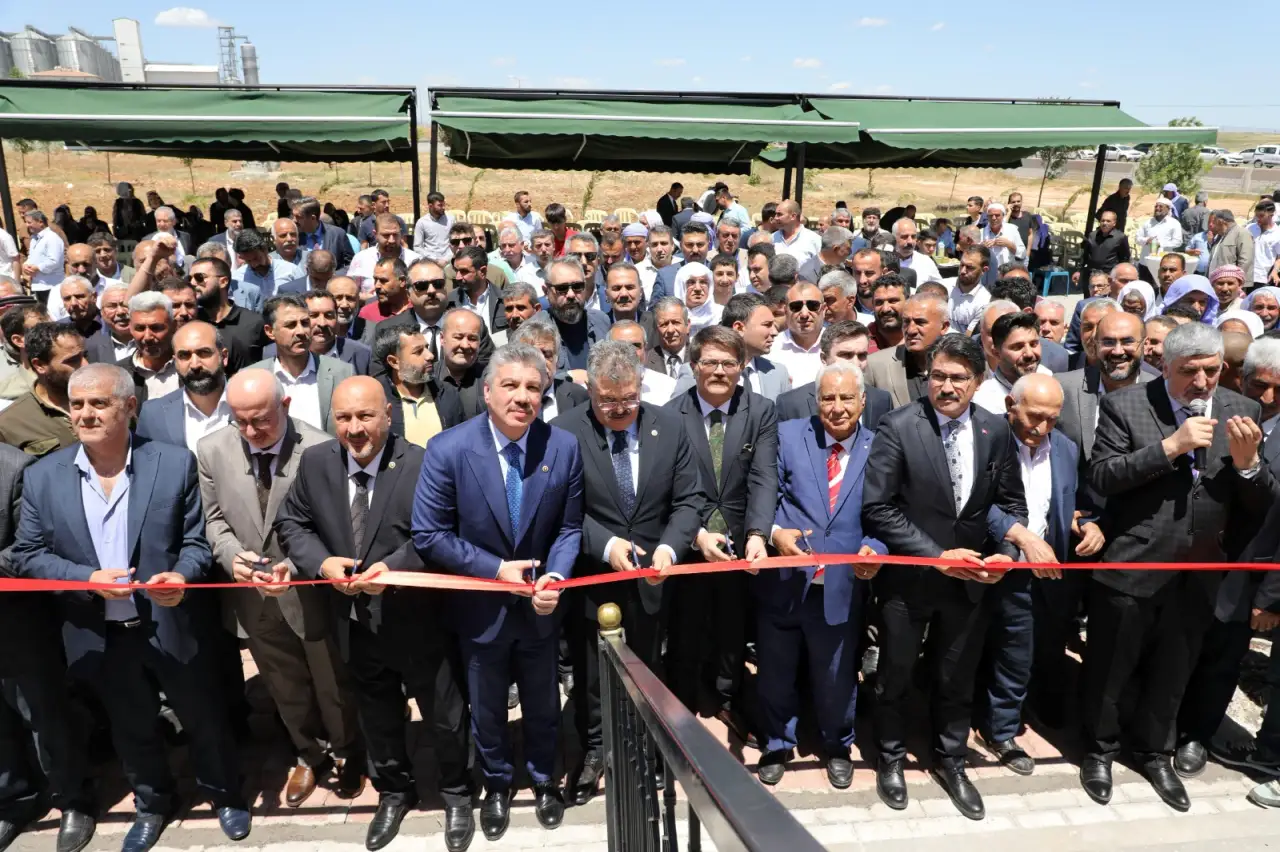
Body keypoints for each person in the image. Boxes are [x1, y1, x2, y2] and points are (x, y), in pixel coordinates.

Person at [11, 362, 251, 851]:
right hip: (97, 632)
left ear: (130, 407)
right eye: (77, 404)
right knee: (130, 725)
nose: (86, 414)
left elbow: (196, 542)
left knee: (202, 716)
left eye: (99, 403)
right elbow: (27, 555)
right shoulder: (42, 477)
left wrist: (182, 574)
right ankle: (152, 804)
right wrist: (86, 579)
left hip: (169, 621)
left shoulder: (173, 462)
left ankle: (225, 795)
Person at [274, 376, 472, 851]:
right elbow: (291, 522)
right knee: (377, 714)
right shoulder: (318, 462)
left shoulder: (423, 464)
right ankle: (393, 792)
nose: (354, 428)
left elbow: (441, 532)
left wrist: (397, 567)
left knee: (443, 713)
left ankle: (457, 792)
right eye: (343, 418)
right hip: (355, 623)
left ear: (388, 414)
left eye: (365, 416)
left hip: (417, 619)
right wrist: (321, 562)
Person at [1081, 322, 1273, 811]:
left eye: (1211, 371)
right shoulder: (1127, 404)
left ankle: (1154, 753)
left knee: (1174, 671)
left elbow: (1261, 503)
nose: (1202, 382)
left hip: (1200, 574)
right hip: (1133, 565)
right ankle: (1099, 752)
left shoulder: (1242, 409)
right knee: (1111, 669)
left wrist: (1250, 466)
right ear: (1164, 366)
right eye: (1189, 372)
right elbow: (1104, 475)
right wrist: (1171, 447)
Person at [413, 341, 583, 842]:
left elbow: (569, 530)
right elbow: (429, 534)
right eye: (510, 385)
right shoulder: (449, 449)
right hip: (479, 610)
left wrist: (555, 576)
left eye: (533, 387)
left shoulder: (562, 446)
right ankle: (496, 784)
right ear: (487, 391)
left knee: (542, 698)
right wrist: (494, 570)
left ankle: (544, 778)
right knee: (486, 707)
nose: (522, 397)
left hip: (541, 607)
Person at [863, 333, 1026, 820]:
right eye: (938, 376)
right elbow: (879, 508)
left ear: (977, 382)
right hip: (910, 580)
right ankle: (890, 757)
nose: (947, 386)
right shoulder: (897, 426)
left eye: (959, 378)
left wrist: (1005, 556)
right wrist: (936, 555)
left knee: (957, 677)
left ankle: (951, 760)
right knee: (895, 672)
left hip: (970, 583)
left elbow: (1008, 504)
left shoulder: (995, 430)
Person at [197, 368, 363, 808]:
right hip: (250, 594)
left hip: (308, 589)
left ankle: (348, 751)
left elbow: (335, 525)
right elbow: (213, 519)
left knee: (332, 682)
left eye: (261, 420)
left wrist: (294, 564)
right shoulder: (211, 449)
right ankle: (308, 753)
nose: (251, 431)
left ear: (285, 406)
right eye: (240, 420)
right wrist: (233, 558)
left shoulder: (323, 447)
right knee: (282, 683)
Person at [555, 340, 706, 806]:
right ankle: (596, 749)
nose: (619, 410)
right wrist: (608, 544)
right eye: (607, 401)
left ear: (641, 387)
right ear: (591, 391)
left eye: (628, 400)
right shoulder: (566, 432)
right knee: (594, 672)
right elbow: (562, 508)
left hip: (654, 578)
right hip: (592, 577)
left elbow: (690, 500)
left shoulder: (672, 426)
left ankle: (647, 746)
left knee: (649, 667)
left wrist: (669, 547)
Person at [755, 358, 882, 787]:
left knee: (835, 676)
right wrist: (773, 533)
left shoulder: (879, 447)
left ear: (862, 402)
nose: (838, 407)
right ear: (816, 400)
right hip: (786, 582)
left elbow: (886, 515)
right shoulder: (789, 435)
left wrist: (876, 548)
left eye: (847, 397)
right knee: (775, 670)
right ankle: (776, 743)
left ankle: (837, 746)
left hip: (841, 587)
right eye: (828, 397)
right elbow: (762, 494)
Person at [663, 325, 777, 740]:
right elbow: (668, 487)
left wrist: (757, 534)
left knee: (733, 631)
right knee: (686, 631)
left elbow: (764, 478)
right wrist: (694, 536)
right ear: (694, 366)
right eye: (710, 361)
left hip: (739, 547)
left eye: (729, 363)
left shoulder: (761, 411)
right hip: (689, 544)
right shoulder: (670, 414)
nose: (719, 370)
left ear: (742, 367)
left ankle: (728, 701)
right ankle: (682, 709)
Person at [978, 373, 1095, 769]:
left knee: (1040, 649)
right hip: (1000, 565)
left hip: (1050, 571)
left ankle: (1025, 713)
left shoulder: (1063, 448)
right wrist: (1023, 539)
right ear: (1011, 406)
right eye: (1033, 416)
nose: (1041, 427)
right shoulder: (987, 441)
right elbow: (976, 504)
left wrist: (1088, 524)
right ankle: (1001, 732)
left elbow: (1072, 502)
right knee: (1012, 651)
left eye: (1051, 418)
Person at [0, 440, 97, 852]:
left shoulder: (16, 467)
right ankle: (13, 797)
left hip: (14, 619)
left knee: (42, 712)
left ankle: (72, 799)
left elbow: (27, 549)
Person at [249, 295, 355, 434]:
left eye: (305, 323)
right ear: (270, 331)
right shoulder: (251, 378)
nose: (301, 332)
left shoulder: (342, 373)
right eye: (290, 325)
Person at [775, 320, 893, 429]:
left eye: (862, 356)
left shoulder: (881, 400)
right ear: (824, 358)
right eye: (846, 355)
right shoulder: (791, 404)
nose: (855, 363)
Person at [134, 321, 232, 451]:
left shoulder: (252, 403)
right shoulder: (154, 414)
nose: (195, 364)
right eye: (184, 355)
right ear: (175, 361)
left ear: (223, 357)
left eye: (204, 353)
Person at [0, 322, 82, 456]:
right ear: (39, 365)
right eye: (72, 361)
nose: (85, 365)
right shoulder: (8, 424)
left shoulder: (110, 399)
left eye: (85, 356)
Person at [864, 293, 951, 408]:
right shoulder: (875, 365)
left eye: (920, 322)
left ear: (944, 327)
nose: (910, 330)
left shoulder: (963, 366)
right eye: (906, 322)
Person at [973, 311, 1049, 413]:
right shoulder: (985, 401)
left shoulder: (1051, 378)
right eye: (1018, 347)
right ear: (996, 353)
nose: (1029, 354)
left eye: (1033, 344)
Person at [768, 282, 826, 388]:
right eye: (796, 307)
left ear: (824, 310)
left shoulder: (838, 344)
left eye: (813, 306)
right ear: (785, 311)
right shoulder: (770, 348)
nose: (804, 314)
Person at [348, 214, 421, 297]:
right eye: (386, 235)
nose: (391, 240)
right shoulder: (361, 259)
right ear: (375, 234)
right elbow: (349, 292)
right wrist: (365, 298)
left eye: (395, 234)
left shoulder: (414, 260)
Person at [234, 230, 306, 301]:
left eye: (256, 258)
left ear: (265, 249)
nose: (254, 264)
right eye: (248, 261)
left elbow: (305, 297)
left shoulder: (291, 271)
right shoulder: (238, 279)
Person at [292, 196, 353, 270]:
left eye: (298, 217)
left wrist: (334, 277)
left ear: (313, 218)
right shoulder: (293, 237)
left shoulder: (337, 234)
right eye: (293, 216)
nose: (294, 220)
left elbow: (351, 265)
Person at [20, 211, 65, 302]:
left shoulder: (52, 238)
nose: (27, 225)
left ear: (40, 222)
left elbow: (54, 261)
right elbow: (32, 257)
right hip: (38, 285)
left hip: (51, 285)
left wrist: (37, 268)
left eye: (29, 222)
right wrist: (26, 265)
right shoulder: (34, 239)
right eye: (26, 222)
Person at [979, 204, 1026, 288]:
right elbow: (975, 255)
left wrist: (1009, 245)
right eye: (990, 216)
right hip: (988, 276)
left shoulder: (1012, 230)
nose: (994, 218)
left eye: (997, 215)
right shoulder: (982, 232)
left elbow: (1022, 253)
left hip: (1007, 274)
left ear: (1003, 216)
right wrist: (981, 248)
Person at [948, 246, 992, 333]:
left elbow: (968, 337)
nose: (963, 271)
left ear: (984, 270)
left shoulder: (985, 302)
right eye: (961, 265)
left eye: (970, 267)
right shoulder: (944, 286)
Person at [1208, 210, 1255, 283]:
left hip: (1231, 284)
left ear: (1220, 222)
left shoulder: (1242, 233)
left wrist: (1235, 280)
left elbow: (1245, 261)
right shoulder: (1220, 235)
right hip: (1216, 282)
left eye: (1214, 222)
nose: (1212, 225)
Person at [770, 201, 822, 268]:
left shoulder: (814, 239)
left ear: (793, 216)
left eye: (779, 214)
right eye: (776, 214)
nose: (776, 218)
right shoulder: (771, 238)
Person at [1248, 199, 1280, 288]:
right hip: (1245, 276)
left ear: (1271, 215)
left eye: (1261, 216)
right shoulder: (1249, 228)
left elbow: (1279, 257)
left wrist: (1275, 271)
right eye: (1256, 215)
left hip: (1263, 279)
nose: (1258, 218)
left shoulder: (1278, 233)